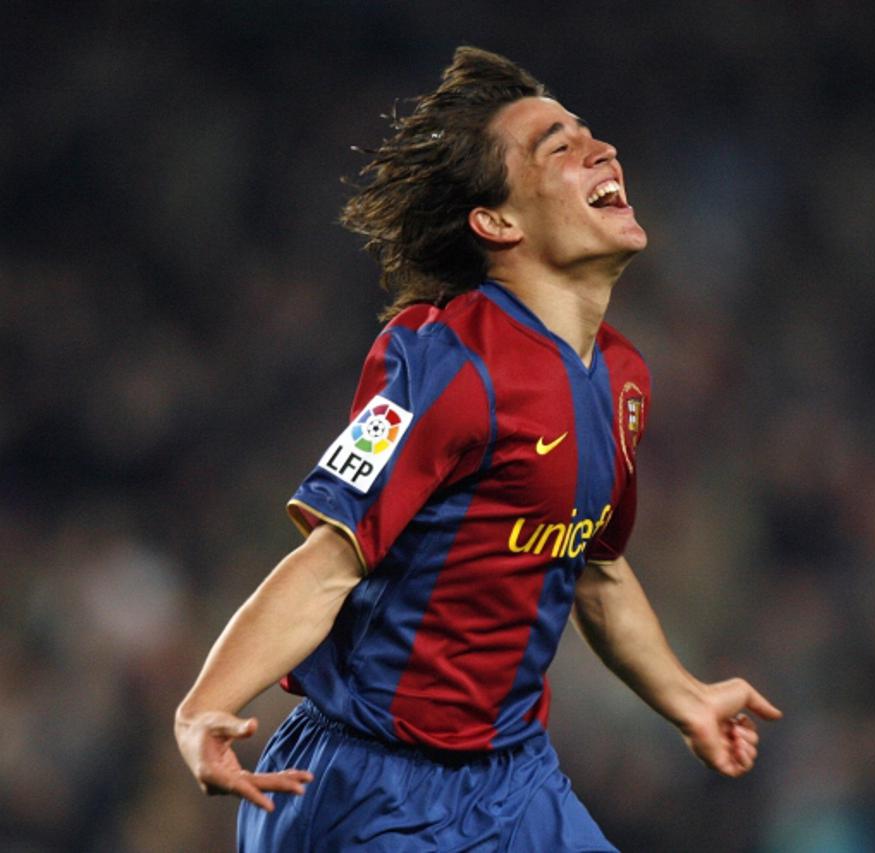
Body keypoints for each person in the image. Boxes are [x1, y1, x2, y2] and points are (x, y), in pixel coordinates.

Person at [174, 46, 781, 851]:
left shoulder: (623, 378)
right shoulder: (444, 362)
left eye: (589, 133)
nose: (599, 150)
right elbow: (329, 562)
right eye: (556, 148)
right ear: (498, 223)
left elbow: (592, 566)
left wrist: (686, 696)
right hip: (370, 789)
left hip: (514, 776)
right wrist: (203, 705)